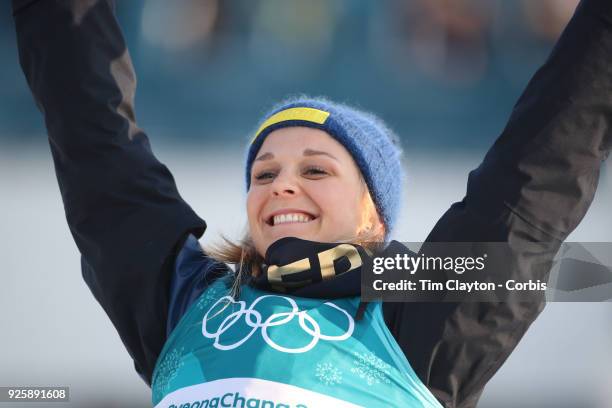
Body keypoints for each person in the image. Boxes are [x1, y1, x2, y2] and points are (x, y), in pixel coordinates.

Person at [12, 0, 611, 407]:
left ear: (374, 213)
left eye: (316, 169)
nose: (280, 185)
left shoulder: (415, 317)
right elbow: (92, 135)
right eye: (264, 172)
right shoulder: (180, 300)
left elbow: (541, 169)